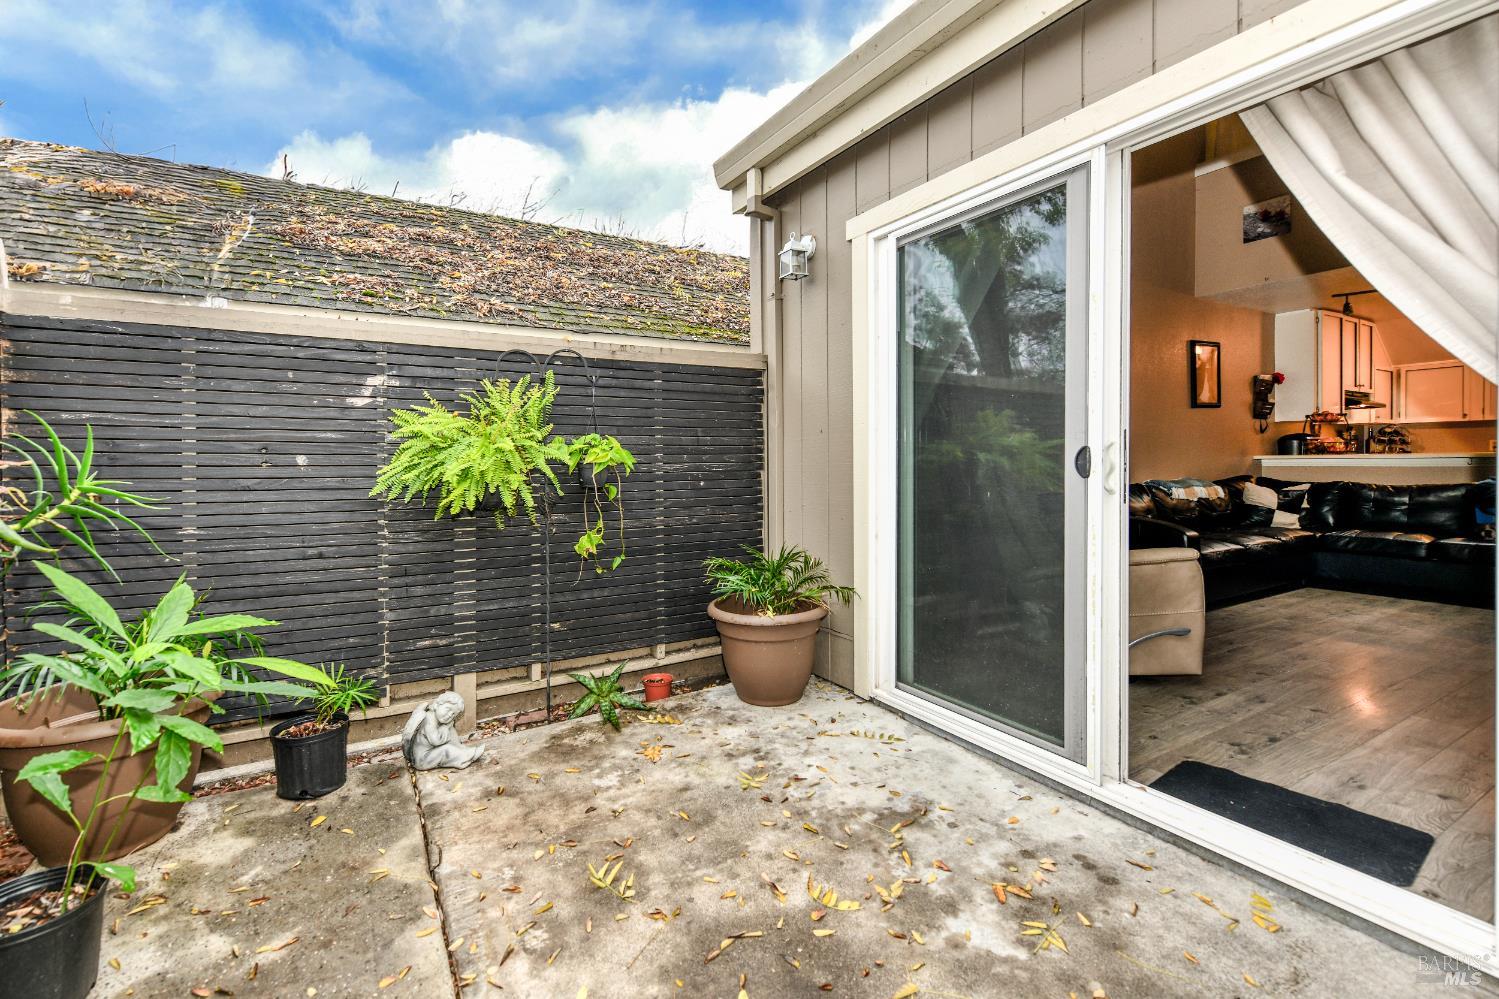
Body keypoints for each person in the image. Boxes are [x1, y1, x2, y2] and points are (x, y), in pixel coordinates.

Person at [401, 691, 484, 770]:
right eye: (448, 709)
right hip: (422, 760)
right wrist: (444, 728)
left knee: (450, 729)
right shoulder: (428, 720)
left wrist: (446, 728)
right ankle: (465, 758)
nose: (449, 715)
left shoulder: (437, 719)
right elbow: (436, 741)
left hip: (431, 753)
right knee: (446, 749)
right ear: (436, 705)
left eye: (453, 714)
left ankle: (460, 748)